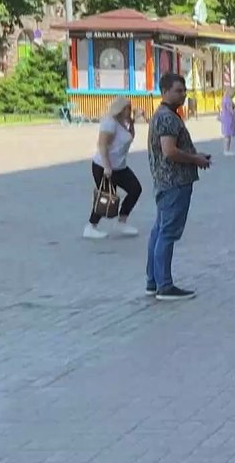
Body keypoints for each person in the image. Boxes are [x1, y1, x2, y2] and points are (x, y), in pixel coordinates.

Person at [146, 73, 211, 301]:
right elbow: (169, 150)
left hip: (166, 181)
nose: (183, 95)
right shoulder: (167, 118)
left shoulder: (166, 115)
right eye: (178, 91)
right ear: (164, 91)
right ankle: (164, 285)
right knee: (167, 233)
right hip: (174, 182)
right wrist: (195, 160)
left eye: (184, 91)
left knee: (159, 230)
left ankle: (153, 281)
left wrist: (195, 154)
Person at [84, 96, 142, 240]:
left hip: (120, 167)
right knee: (106, 197)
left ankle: (122, 222)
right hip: (104, 166)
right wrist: (107, 166)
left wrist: (132, 123)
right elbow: (102, 145)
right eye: (128, 108)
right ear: (121, 109)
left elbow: (129, 138)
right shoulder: (109, 123)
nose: (130, 110)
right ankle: (90, 226)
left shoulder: (122, 122)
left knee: (135, 189)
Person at [219, 88, 235, 156]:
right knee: (228, 135)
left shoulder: (224, 98)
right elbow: (230, 110)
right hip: (228, 118)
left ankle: (226, 149)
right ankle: (226, 150)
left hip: (225, 118)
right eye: (233, 94)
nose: (234, 96)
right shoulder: (228, 100)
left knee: (227, 135)